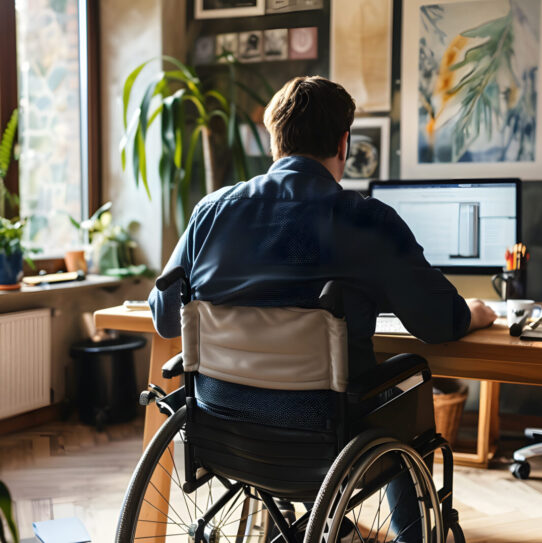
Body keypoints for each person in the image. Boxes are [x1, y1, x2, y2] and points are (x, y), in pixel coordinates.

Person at [149, 76, 497, 540]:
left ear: (276, 143)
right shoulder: (366, 220)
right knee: (404, 383)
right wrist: (477, 312)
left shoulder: (211, 212)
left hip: (222, 429)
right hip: (326, 438)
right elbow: (438, 323)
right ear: (343, 142)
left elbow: (165, 315)